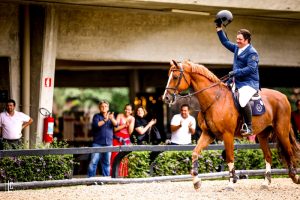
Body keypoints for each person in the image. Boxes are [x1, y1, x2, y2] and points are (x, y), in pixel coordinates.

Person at [215, 16, 260, 137]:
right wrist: (219, 28)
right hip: (236, 80)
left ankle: (249, 127)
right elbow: (225, 42)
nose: (237, 41)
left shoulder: (252, 52)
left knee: (242, 99)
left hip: (249, 82)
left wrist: (236, 72)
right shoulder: (237, 48)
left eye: (240, 39)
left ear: (247, 40)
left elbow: (251, 69)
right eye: (237, 38)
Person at [87, 100, 118, 177]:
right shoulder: (96, 116)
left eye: (105, 106)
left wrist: (112, 119)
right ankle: (90, 179)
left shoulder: (111, 116)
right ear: (99, 108)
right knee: (93, 162)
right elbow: (96, 125)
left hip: (108, 143)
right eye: (102, 106)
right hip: (97, 143)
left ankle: (106, 179)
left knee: (106, 163)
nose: (104, 108)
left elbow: (116, 125)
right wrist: (105, 120)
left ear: (108, 108)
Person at [110, 104, 135, 177]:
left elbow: (130, 132)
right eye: (126, 109)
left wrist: (130, 123)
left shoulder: (132, 118)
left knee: (125, 157)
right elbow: (115, 129)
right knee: (115, 155)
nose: (127, 111)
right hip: (117, 138)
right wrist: (124, 125)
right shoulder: (120, 116)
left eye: (129, 110)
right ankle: (114, 175)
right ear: (124, 110)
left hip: (126, 139)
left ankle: (123, 175)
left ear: (131, 111)